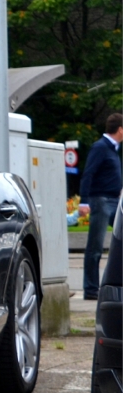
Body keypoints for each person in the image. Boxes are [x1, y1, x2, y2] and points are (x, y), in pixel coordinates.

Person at [79, 112, 123, 300]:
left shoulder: (113, 149)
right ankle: (90, 290)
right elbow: (88, 173)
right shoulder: (101, 147)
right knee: (95, 247)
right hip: (101, 201)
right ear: (120, 129)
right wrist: (83, 201)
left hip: (114, 200)